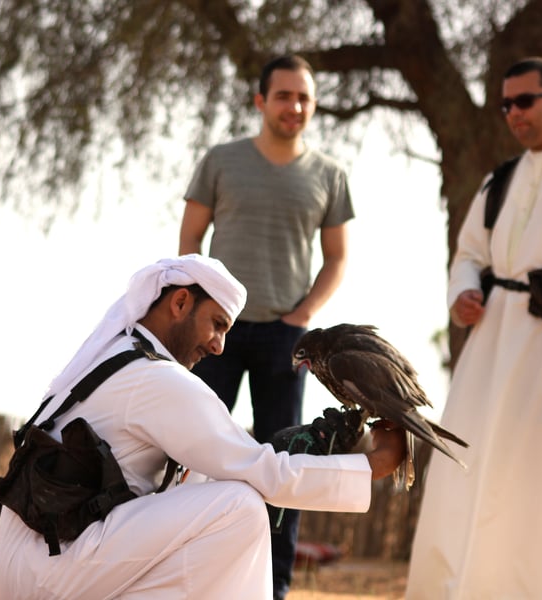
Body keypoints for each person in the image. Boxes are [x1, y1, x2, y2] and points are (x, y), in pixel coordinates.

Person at [0, 254, 406, 600]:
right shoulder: (155, 379)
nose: (218, 346)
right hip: (48, 572)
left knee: (205, 488)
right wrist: (374, 465)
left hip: (35, 565)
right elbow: (265, 474)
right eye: (218, 324)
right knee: (238, 506)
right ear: (180, 303)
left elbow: (216, 468)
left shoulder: (120, 354)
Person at [405, 57, 542, 599]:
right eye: (505, 105)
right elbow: (468, 252)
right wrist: (464, 293)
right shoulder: (500, 179)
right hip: (491, 341)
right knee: (466, 469)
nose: (513, 113)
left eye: (524, 101)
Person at [178, 53, 354, 599]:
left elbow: (337, 259)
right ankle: (186, 576)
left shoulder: (330, 175)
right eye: (283, 95)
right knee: (190, 454)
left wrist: (302, 317)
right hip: (216, 334)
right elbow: (188, 243)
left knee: (287, 463)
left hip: (286, 336)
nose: (294, 106)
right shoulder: (221, 160)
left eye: (304, 97)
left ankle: (272, 588)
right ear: (260, 101)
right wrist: (199, 312)